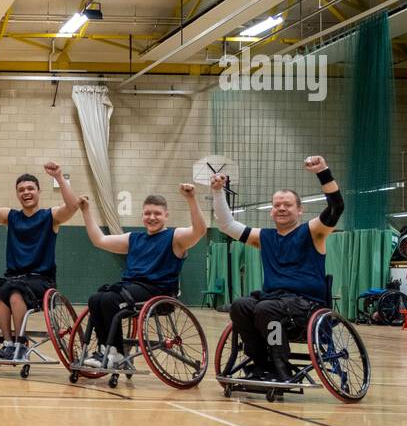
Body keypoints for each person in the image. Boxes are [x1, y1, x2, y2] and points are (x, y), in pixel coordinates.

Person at [212, 156, 344, 381]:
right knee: (241, 306)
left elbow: (336, 207)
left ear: (300, 210)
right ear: (271, 211)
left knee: (266, 309)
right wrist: (217, 191)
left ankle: (279, 363)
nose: (281, 208)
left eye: (288, 205)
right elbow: (227, 225)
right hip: (274, 301)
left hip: (306, 305)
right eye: (277, 205)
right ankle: (260, 363)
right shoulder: (264, 237)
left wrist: (323, 172)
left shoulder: (313, 232)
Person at [76, 185, 207, 368]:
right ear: (142, 216)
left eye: (157, 213)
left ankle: (116, 354)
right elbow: (100, 240)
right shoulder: (134, 239)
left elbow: (199, 231)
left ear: (166, 216)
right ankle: (105, 350)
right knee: (96, 298)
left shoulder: (175, 238)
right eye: (147, 213)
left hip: (158, 292)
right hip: (130, 288)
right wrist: (86, 211)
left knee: (109, 300)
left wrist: (191, 198)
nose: (152, 217)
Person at [0, 161, 80, 361]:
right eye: (21, 190)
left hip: (41, 280)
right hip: (14, 278)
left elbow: (73, 206)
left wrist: (59, 176)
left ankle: (20, 345)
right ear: (17, 194)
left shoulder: (51, 216)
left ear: (39, 192)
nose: (26, 192)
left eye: (30, 188)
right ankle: (8, 344)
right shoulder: (11, 217)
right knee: (1, 293)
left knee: (15, 293)